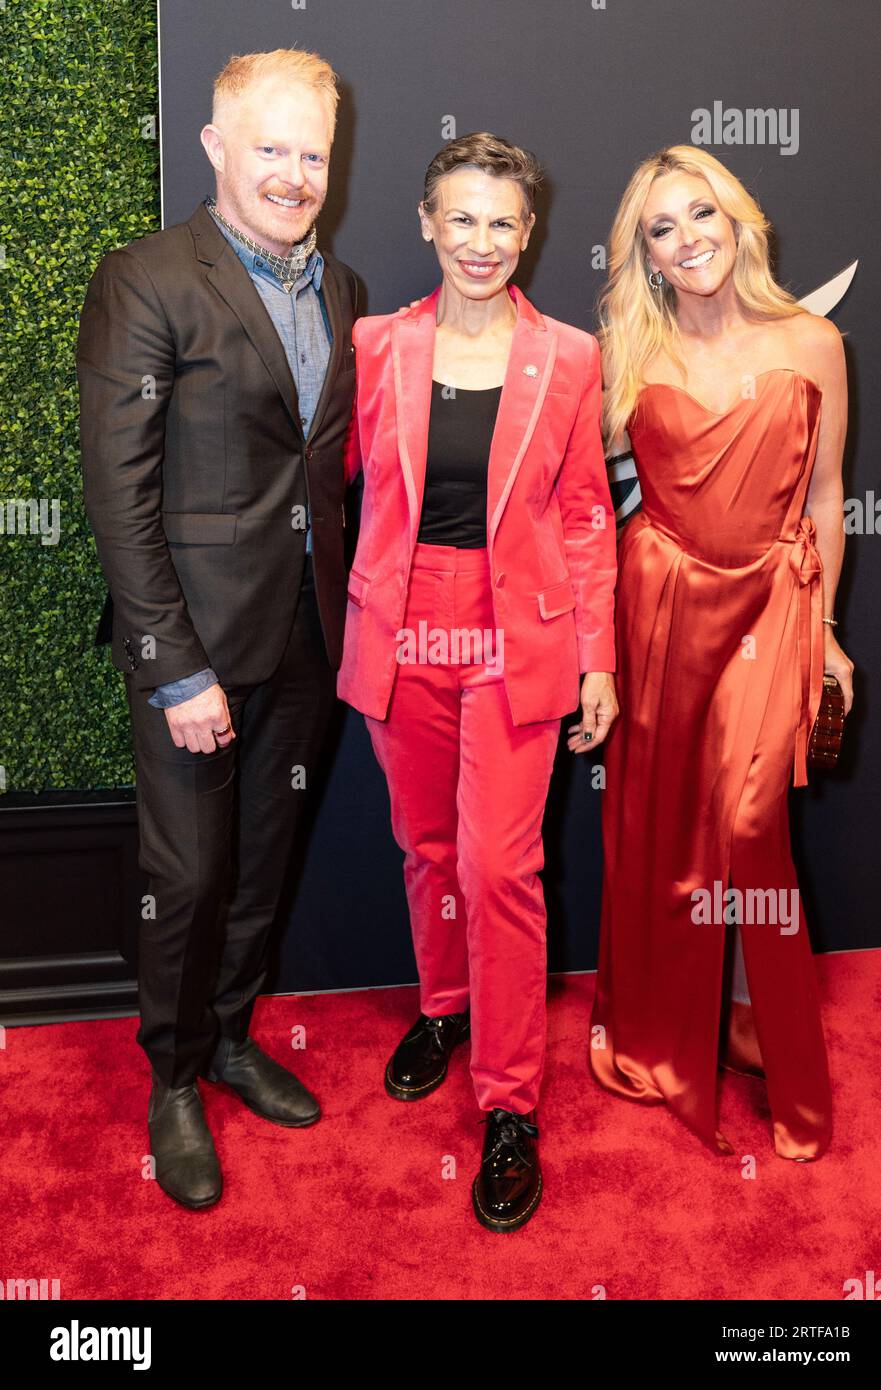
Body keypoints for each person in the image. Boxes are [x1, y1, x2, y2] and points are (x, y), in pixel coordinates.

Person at [77, 49, 360, 1210]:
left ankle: (235, 1037)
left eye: (313, 152)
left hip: (305, 631)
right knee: (187, 874)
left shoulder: (337, 288)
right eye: (272, 148)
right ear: (214, 147)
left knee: (262, 862)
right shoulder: (146, 277)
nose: (294, 173)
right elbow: (117, 492)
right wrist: (172, 666)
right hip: (192, 644)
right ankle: (176, 1077)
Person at [339, 133, 618, 1231]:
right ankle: (445, 1007)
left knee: (503, 866)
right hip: (405, 628)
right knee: (429, 848)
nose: (483, 243)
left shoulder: (571, 355)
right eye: (462, 218)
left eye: (504, 223)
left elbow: (590, 515)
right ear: (425, 222)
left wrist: (597, 655)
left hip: (519, 636)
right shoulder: (375, 345)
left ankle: (509, 1104)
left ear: (529, 234)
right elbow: (348, 487)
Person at [588, 145, 853, 1161]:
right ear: (644, 253)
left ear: (739, 221)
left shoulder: (813, 340)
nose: (689, 238)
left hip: (774, 602)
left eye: (704, 214)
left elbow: (825, 496)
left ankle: (781, 1055)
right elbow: (577, 498)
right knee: (662, 833)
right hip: (659, 605)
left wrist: (824, 631)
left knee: (749, 823)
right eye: (663, 227)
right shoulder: (626, 347)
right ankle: (672, 1031)